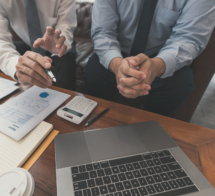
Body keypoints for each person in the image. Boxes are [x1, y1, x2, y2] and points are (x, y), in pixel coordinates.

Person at [85, 0, 215, 116]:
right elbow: (103, 31)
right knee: (94, 71)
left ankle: (149, 129)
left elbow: (189, 38)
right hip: (118, 52)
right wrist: (117, 64)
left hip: (161, 56)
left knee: (181, 84)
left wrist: (156, 66)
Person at [0, 0, 77, 90]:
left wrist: (59, 42)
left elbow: (66, 26)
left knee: (65, 60)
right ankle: (10, 93)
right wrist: (14, 65)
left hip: (59, 42)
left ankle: (67, 99)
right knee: (0, 56)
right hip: (30, 43)